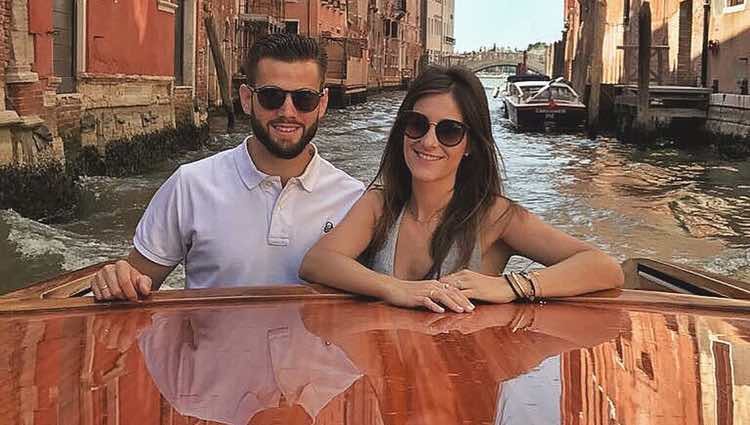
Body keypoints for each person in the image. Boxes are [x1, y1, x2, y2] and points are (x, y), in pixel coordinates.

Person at [299, 66, 624, 313]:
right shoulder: (380, 204)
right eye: (416, 124)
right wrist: (393, 288)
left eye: (450, 131)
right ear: (403, 130)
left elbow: (603, 267)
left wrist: (511, 286)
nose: (428, 142)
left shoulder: (495, 216)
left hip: (459, 386)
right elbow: (317, 262)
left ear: (470, 144)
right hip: (391, 384)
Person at [91, 33, 364, 301]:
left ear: (323, 103)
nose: (288, 112)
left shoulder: (353, 198)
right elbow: (138, 282)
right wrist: (117, 278)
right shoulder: (191, 184)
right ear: (247, 99)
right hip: (210, 347)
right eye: (272, 96)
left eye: (304, 99)